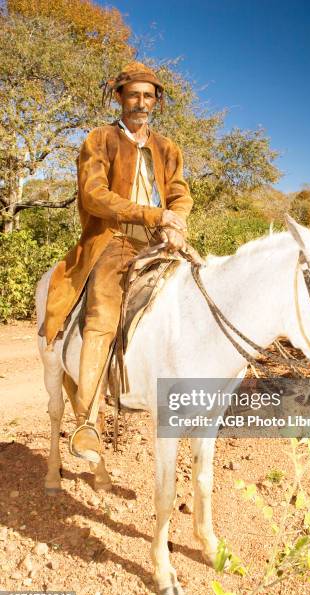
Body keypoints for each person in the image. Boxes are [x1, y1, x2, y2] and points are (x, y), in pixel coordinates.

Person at [43, 61, 193, 461]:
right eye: (133, 95)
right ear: (120, 98)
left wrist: (176, 223)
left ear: (156, 101)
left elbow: (179, 193)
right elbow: (93, 195)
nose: (140, 102)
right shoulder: (100, 140)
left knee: (202, 292)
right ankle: (86, 421)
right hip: (113, 239)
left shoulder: (167, 148)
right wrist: (151, 215)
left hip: (160, 239)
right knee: (103, 315)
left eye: (148, 96)